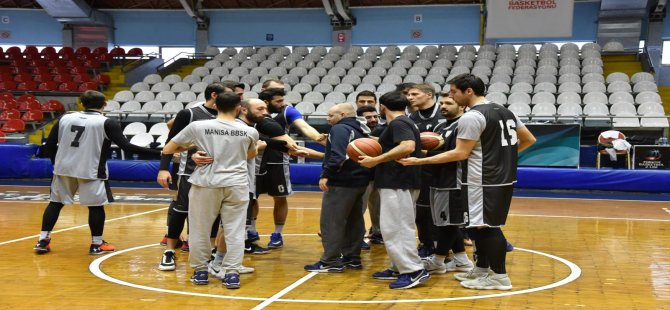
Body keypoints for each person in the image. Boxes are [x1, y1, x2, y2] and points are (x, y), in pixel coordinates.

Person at [399, 74, 536, 291]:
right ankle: (482, 270)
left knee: (487, 228)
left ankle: (500, 277)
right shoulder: (504, 110)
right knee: (477, 227)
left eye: (454, 92)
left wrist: (420, 160)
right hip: (499, 178)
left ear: (468, 91)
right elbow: (529, 139)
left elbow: (460, 153)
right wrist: (504, 158)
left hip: (481, 180)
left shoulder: (471, 117)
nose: (450, 95)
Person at [34, 90, 160, 255]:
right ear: (105, 103)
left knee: (55, 203)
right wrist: (160, 153)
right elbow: (126, 147)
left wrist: (57, 165)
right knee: (95, 207)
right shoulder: (107, 122)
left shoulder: (65, 118)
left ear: (81, 103)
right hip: (91, 170)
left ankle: (43, 240)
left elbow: (49, 146)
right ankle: (96, 244)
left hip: (63, 169)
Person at [162, 92, 258, 289]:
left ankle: (201, 272)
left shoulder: (198, 126)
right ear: (239, 108)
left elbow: (168, 149)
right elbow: (251, 154)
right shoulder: (249, 131)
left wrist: (194, 151)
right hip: (237, 184)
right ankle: (232, 273)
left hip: (206, 183)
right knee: (235, 230)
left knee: (199, 230)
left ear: (215, 106)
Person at [359, 91, 430, 290]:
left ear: (382, 107)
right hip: (402, 181)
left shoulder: (399, 123)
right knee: (395, 227)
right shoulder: (405, 122)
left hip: (398, 181)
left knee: (396, 228)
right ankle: (399, 266)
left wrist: (376, 160)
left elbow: (407, 146)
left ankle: (413, 270)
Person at [156, 83, 228, 271]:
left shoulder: (228, 117)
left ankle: (211, 250)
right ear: (214, 95)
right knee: (181, 210)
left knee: (214, 214)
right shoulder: (190, 114)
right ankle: (170, 251)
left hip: (218, 174)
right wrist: (163, 169)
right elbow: (170, 142)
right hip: (190, 172)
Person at [256, 87, 327, 249]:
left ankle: (277, 233)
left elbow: (304, 127)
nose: (283, 103)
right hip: (254, 161)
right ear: (266, 102)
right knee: (252, 198)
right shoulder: (253, 111)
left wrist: (317, 137)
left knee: (280, 197)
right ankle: (251, 230)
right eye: (278, 101)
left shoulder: (287, 111)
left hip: (279, 161)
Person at [304, 103, 371, 272]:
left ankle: (330, 261)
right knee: (355, 221)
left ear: (342, 114)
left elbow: (338, 156)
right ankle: (352, 258)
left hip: (342, 182)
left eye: (331, 115)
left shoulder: (340, 129)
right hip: (360, 181)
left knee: (332, 222)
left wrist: (326, 174)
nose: (327, 119)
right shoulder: (361, 129)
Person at [420, 95, 474, 274]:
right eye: (441, 103)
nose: (443, 106)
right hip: (437, 179)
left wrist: (423, 153)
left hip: (453, 181)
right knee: (446, 223)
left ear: (462, 107)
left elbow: (457, 153)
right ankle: (461, 260)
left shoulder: (463, 125)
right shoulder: (440, 126)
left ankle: (438, 260)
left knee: (448, 224)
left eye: (448, 103)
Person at [406, 84, 446, 259]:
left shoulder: (444, 113)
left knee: (444, 210)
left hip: (445, 167)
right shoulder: (411, 117)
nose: (410, 97)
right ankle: (426, 243)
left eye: (415, 94)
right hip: (421, 168)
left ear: (429, 95)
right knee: (421, 209)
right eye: (408, 94)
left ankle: (445, 245)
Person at [356, 105, 383, 245]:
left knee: (378, 209)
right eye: (368, 117)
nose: (373, 120)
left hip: (380, 176)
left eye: (375, 116)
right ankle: (357, 236)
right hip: (362, 176)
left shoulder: (383, 129)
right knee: (360, 208)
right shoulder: (355, 131)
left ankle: (377, 233)